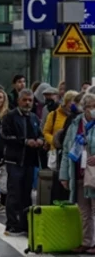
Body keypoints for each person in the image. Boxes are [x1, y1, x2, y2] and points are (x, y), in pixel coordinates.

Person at [1, 89, 44, 236]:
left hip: (29, 161)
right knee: (14, 193)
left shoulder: (34, 118)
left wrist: (40, 140)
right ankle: (12, 224)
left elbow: (40, 134)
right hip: (15, 160)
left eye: (30, 100)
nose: (27, 103)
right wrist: (24, 142)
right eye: (24, 100)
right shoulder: (10, 117)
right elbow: (5, 136)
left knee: (27, 194)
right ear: (19, 100)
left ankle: (25, 224)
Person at [60, 93, 95, 254]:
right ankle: (87, 241)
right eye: (89, 107)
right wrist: (64, 175)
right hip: (78, 173)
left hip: (93, 174)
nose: (92, 110)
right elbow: (67, 151)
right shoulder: (75, 124)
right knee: (84, 210)